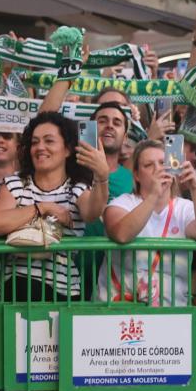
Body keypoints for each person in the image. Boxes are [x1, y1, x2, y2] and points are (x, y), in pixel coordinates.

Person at [97, 140, 196, 391]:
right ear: (136, 174)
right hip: (121, 321)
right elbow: (122, 233)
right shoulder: (122, 203)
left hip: (169, 322)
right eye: (149, 165)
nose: (157, 170)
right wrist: (152, 197)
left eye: (163, 163)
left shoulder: (185, 207)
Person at [0, 111, 109, 299]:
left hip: (63, 294)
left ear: (67, 149)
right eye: (35, 142)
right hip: (16, 290)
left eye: (49, 141)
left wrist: (102, 177)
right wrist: (42, 207)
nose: (40, 147)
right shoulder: (15, 183)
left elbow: (91, 213)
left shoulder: (76, 187)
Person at [80, 101, 135, 297]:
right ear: (92, 129)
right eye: (102, 121)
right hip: (72, 276)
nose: (110, 125)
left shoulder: (133, 179)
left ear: (126, 136)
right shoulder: (70, 170)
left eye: (117, 122)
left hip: (116, 281)